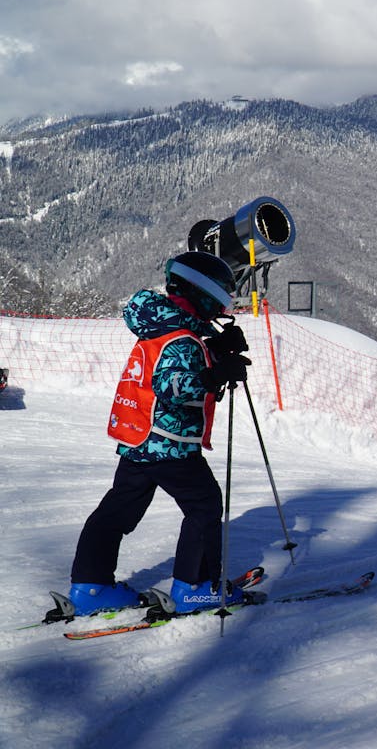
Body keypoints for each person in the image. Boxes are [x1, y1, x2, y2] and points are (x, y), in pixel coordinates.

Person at [65, 251, 254, 616]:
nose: (223, 305)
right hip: (169, 444)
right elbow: (173, 385)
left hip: (137, 440)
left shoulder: (159, 324)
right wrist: (215, 375)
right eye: (222, 296)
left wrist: (214, 349)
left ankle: (91, 586)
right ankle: (194, 587)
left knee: (117, 511)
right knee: (204, 505)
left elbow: (176, 351)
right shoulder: (182, 337)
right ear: (205, 292)